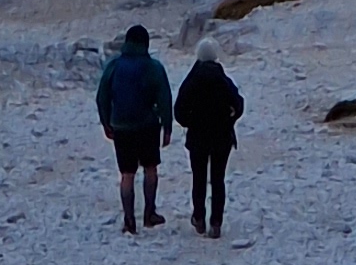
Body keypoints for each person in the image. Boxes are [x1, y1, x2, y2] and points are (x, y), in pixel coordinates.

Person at [95, 23, 173, 232]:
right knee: (150, 168)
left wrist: (106, 122)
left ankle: (129, 220)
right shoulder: (154, 67)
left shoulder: (114, 66)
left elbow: (102, 96)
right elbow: (164, 98)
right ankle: (149, 213)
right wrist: (167, 126)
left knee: (127, 174)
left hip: (121, 126)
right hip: (147, 126)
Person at [175, 46, 244, 235]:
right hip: (222, 137)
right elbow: (239, 104)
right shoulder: (223, 80)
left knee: (198, 179)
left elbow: (179, 111)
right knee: (218, 180)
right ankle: (216, 222)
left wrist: (192, 122)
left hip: (198, 138)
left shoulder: (191, 81)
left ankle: (199, 217)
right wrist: (229, 119)